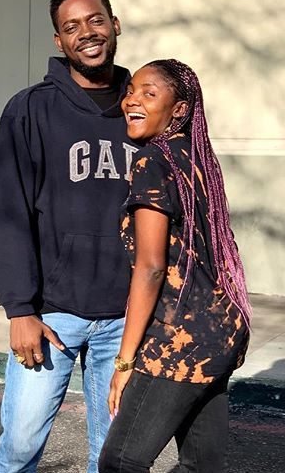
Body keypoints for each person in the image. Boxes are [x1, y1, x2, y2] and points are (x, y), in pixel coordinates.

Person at [0, 0, 138, 473]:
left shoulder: (144, 110)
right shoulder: (30, 110)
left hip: (127, 317)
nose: (86, 33)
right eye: (71, 27)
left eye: (95, 20)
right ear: (59, 41)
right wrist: (19, 310)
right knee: (19, 447)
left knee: (114, 458)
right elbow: (9, 214)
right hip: (51, 315)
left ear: (115, 25)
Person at [98, 59, 252, 472]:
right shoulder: (196, 158)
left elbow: (150, 267)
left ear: (179, 109)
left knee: (120, 460)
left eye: (149, 93)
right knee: (202, 463)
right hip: (220, 328)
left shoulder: (152, 161)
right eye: (131, 91)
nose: (132, 100)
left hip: (178, 335)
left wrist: (125, 361)